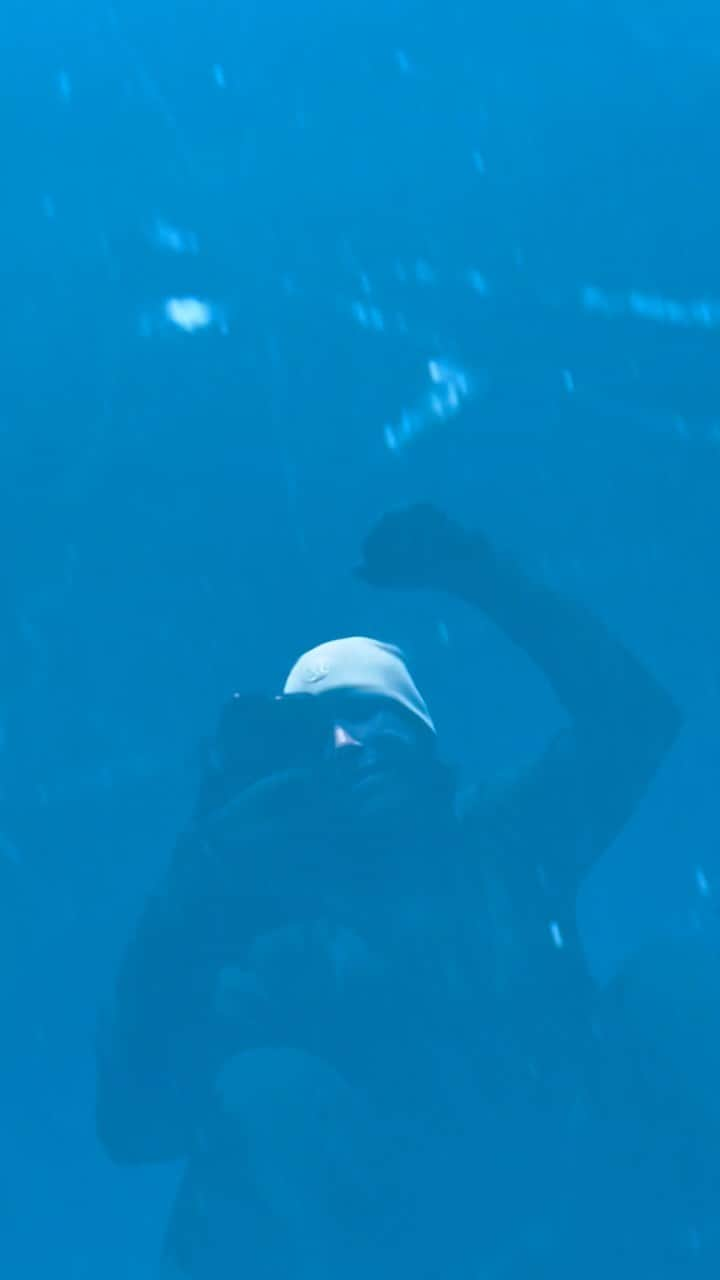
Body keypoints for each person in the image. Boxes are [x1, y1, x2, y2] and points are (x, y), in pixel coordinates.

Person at [96, 504, 681, 1278]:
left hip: (584, 1192)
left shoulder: (506, 835)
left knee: (673, 984)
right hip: (407, 1243)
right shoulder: (272, 929)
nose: (343, 745)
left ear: (417, 729)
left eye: (364, 713)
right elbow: (137, 1126)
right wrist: (189, 887)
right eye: (316, 732)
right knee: (262, 1094)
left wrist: (483, 575)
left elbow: (635, 720)